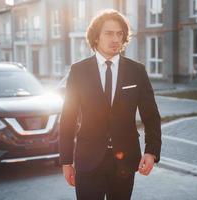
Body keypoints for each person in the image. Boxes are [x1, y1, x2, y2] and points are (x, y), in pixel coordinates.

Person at [59, 9, 161, 200]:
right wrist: (66, 161)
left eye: (119, 33)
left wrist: (151, 151)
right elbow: (68, 118)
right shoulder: (78, 71)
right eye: (109, 33)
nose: (115, 39)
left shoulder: (136, 71)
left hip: (124, 162)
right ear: (96, 37)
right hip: (88, 162)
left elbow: (151, 115)